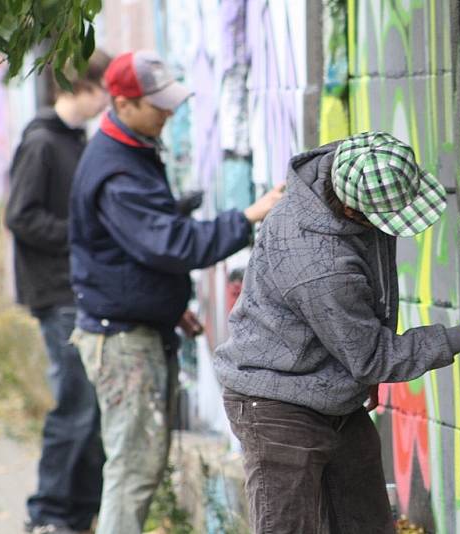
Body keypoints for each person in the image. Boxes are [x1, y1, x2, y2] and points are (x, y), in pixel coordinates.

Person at [214, 131, 460, 533]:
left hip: (330, 392)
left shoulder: (352, 169)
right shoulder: (320, 264)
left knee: (366, 523)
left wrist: (357, 367)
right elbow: (372, 358)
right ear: (350, 211)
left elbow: (362, 353)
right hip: (275, 401)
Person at [68, 50, 283, 534]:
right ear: (122, 103)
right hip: (123, 340)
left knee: (137, 463)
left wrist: (169, 304)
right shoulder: (117, 170)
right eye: (157, 104)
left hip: (134, 328)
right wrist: (247, 217)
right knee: (134, 469)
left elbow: (136, 249)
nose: (169, 112)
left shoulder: (132, 148)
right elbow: (169, 243)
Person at [5, 49, 111, 534]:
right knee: (74, 407)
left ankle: (77, 514)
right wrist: (80, 234)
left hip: (78, 291)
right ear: (81, 87)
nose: (109, 99)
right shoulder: (44, 143)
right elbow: (20, 217)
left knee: (88, 408)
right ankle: (48, 515)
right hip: (56, 293)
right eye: (104, 88)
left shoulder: (76, 141)